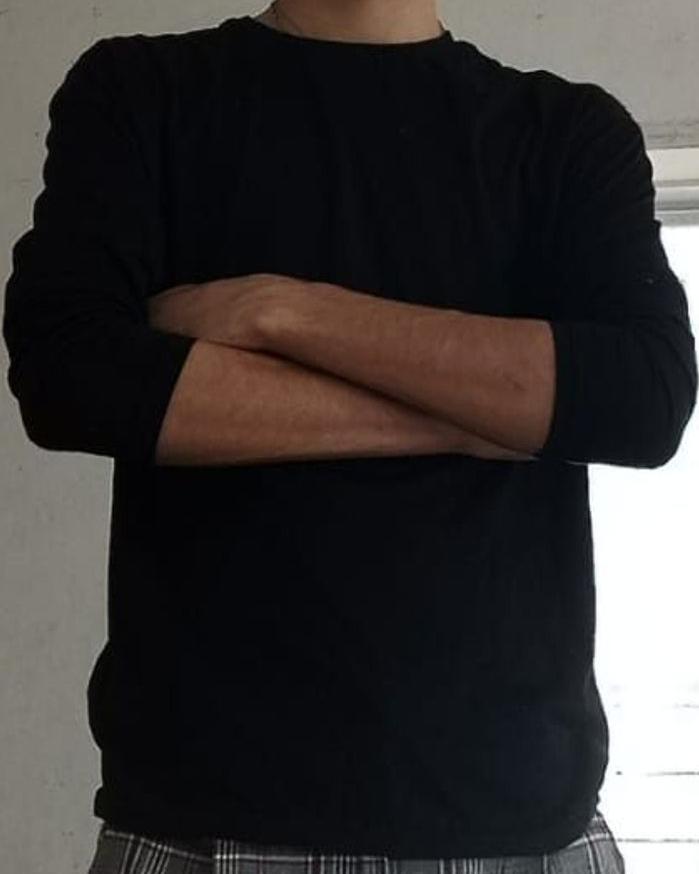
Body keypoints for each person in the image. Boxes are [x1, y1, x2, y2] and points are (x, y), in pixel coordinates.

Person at [3, 1, 696, 872]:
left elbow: (638, 399)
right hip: (202, 826)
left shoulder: (566, 130)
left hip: (521, 832)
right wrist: (477, 413)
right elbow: (74, 378)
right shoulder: (140, 91)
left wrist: (281, 310)